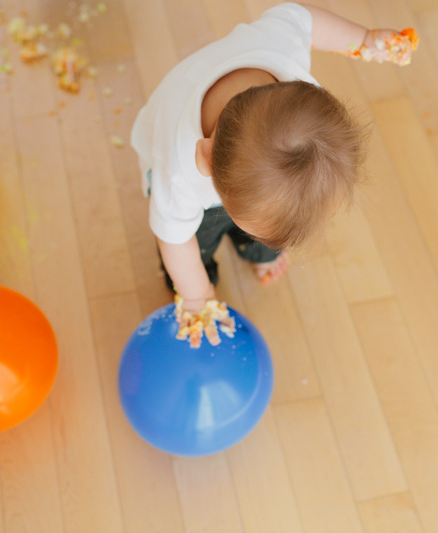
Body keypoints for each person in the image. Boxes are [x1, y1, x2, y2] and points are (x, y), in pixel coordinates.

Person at [130, 2, 418, 347]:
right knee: (194, 253)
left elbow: (304, 19)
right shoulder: (178, 172)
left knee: (272, 220)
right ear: (206, 159)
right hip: (181, 171)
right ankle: (209, 270)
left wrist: (365, 39)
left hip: (244, 177)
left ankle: (259, 250)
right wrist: (197, 297)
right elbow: (174, 238)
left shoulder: (280, 46)